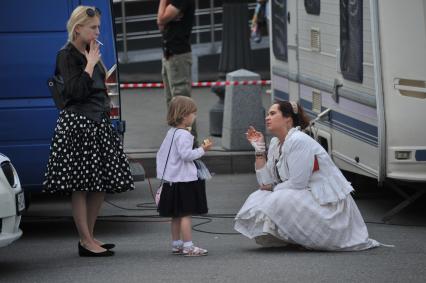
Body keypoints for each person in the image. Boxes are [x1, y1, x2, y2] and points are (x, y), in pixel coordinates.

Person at [43, 6, 135, 257]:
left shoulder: (89, 51)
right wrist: (91, 64)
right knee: (81, 185)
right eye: (93, 27)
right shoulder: (67, 55)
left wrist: (94, 62)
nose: (97, 32)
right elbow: (74, 93)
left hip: (97, 122)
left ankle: (90, 237)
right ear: (78, 28)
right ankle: (85, 240)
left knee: (100, 183)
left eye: (98, 27)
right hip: (79, 124)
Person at [234, 101, 381, 251]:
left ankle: (309, 237)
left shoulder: (299, 140)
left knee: (278, 198)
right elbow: (265, 183)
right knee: (258, 197)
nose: (267, 118)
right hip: (303, 194)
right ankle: (293, 237)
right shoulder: (275, 143)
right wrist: (259, 148)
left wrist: (272, 188)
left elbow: (299, 183)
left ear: (288, 118)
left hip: (326, 204)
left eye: (272, 113)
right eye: (267, 114)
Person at [156, 96, 212, 256]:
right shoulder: (184, 135)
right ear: (184, 115)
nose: (195, 117)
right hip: (184, 181)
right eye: (193, 113)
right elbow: (186, 155)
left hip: (172, 180)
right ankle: (188, 246)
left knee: (175, 215)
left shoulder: (172, 132)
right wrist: (202, 149)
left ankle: (177, 244)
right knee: (186, 214)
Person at [157, 0, 198, 144]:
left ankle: (190, 143)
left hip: (178, 55)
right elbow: (161, 25)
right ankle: (178, 141)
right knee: (171, 102)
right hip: (169, 54)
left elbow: (161, 19)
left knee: (182, 102)